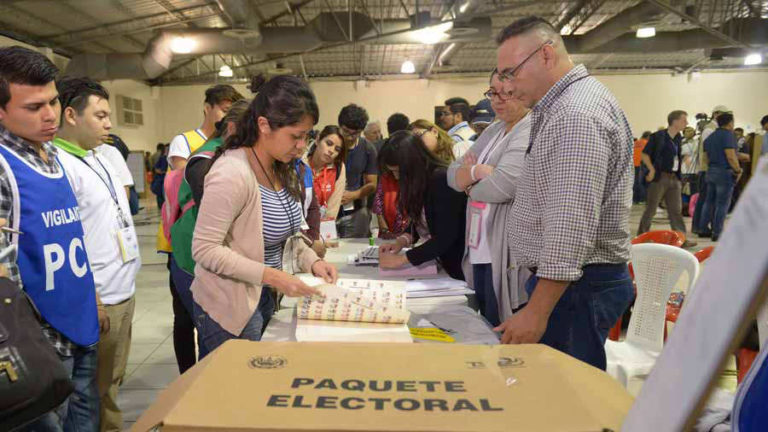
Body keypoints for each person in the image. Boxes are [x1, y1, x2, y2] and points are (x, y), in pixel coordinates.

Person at [495, 17, 635, 370]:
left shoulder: (575, 114)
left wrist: (537, 310)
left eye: (511, 73)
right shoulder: (561, 107)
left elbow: (570, 223)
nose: (507, 87)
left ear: (545, 55)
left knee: (567, 401)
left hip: (575, 288)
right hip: (568, 287)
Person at [191, 76, 337, 354]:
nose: (301, 146)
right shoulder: (231, 173)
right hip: (230, 303)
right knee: (234, 390)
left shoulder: (282, 165)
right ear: (263, 125)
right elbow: (205, 249)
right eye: (295, 136)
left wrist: (312, 262)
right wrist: (274, 277)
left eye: (307, 136)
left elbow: (286, 235)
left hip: (264, 293)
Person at [0, 46, 99, 431]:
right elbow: (4, 279)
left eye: (54, 101)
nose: (50, 114)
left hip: (81, 324)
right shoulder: (4, 168)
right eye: (34, 107)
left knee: (85, 421)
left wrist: (93, 301)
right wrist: (31, 342)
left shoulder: (52, 154)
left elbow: (68, 235)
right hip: (42, 344)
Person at [53, 77, 141, 432]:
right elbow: (69, 239)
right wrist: (95, 297)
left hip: (124, 288)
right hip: (100, 294)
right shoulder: (59, 165)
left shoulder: (101, 156)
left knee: (112, 381)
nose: (109, 124)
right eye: (100, 115)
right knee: (93, 393)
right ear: (71, 115)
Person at [162, 85, 243, 374]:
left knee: (207, 324)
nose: (224, 111)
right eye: (222, 106)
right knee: (187, 320)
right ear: (207, 107)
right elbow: (202, 193)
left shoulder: (232, 149)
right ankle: (189, 380)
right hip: (187, 243)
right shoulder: (191, 146)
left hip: (206, 246)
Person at [447, 70, 532, 327]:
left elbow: (504, 186)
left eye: (506, 93)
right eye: (493, 92)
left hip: (504, 250)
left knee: (499, 329)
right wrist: (475, 172)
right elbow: (452, 175)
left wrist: (469, 186)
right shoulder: (494, 130)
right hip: (479, 245)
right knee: (483, 325)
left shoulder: (530, 128)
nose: (498, 99)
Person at [378, 131, 467, 280]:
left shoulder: (442, 180)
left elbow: (446, 236)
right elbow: (422, 218)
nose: (396, 177)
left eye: (398, 171)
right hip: (443, 263)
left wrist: (402, 259)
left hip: (458, 266)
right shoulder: (422, 180)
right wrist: (402, 240)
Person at [636, 111, 696, 247]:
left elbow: (674, 155)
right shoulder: (657, 137)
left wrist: (684, 159)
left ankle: (680, 239)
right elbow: (645, 155)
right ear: (674, 121)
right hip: (659, 177)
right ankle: (642, 237)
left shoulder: (678, 138)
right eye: (684, 120)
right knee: (651, 209)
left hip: (674, 178)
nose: (686, 123)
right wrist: (651, 169)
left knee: (676, 210)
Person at [336, 104, 378, 238]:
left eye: (355, 133)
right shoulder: (330, 145)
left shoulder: (368, 149)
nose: (349, 137)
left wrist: (355, 194)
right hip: (327, 213)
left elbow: (372, 184)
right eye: (345, 131)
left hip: (355, 212)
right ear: (339, 126)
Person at [699, 113, 742, 241]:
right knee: (722, 204)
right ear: (730, 123)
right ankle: (717, 232)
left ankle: (703, 229)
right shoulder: (729, 135)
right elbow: (730, 156)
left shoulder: (710, 138)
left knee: (709, 201)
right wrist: (738, 169)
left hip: (711, 171)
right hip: (724, 172)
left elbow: (705, 158)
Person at [693, 105, 730, 235]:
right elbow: (709, 151)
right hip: (707, 169)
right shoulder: (710, 129)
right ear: (716, 114)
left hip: (711, 169)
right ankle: (698, 226)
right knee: (704, 199)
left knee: (708, 200)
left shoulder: (715, 129)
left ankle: (701, 226)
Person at [303, 125, 347, 221]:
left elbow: (333, 207)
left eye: (337, 149)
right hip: (297, 222)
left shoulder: (339, 167)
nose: (331, 151)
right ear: (318, 140)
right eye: (329, 143)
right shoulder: (300, 162)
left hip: (322, 224)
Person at [373, 139, 410, 240]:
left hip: (410, 237)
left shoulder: (416, 179)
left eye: (397, 171)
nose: (396, 176)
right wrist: (385, 230)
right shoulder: (385, 177)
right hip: (388, 235)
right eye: (392, 170)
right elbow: (378, 203)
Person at [632, 131, 651, 204]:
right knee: (642, 182)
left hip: (634, 164)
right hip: (642, 164)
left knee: (635, 182)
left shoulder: (636, 142)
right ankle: (642, 199)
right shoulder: (647, 143)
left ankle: (635, 199)